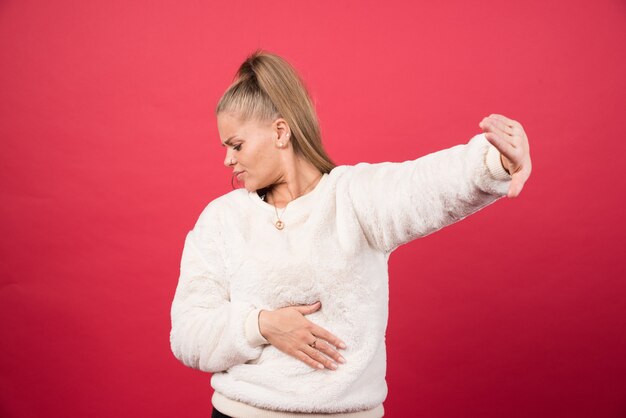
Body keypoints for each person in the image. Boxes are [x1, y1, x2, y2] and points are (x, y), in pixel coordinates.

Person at [169, 50, 532, 418]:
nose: (228, 160)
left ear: (280, 132)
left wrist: (495, 161)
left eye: (236, 145)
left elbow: (424, 185)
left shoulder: (354, 198)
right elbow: (187, 333)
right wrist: (261, 325)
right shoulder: (222, 219)